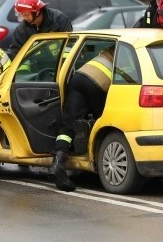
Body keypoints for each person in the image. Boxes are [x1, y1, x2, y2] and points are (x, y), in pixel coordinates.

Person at [47, 45, 115, 191]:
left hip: (79, 77)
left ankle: (58, 163)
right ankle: (88, 136)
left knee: (68, 123)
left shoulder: (109, 49)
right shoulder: (131, 48)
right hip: (98, 83)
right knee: (105, 120)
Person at [7, 0, 73, 59]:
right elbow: (17, 54)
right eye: (22, 15)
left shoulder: (59, 20)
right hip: (36, 67)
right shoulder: (21, 30)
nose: (25, 18)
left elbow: (69, 46)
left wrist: (63, 66)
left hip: (59, 64)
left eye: (27, 15)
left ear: (37, 11)